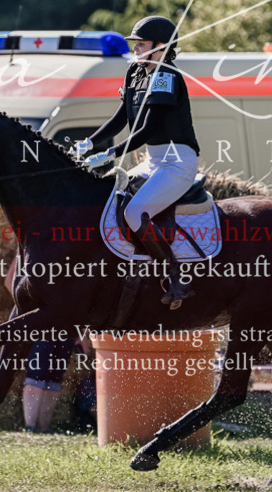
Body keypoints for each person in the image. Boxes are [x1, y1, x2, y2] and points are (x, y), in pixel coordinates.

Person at [73, 15, 200, 308]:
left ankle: (176, 275)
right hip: (155, 161)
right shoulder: (135, 73)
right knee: (110, 201)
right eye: (137, 44)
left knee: (134, 214)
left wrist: (110, 153)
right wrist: (90, 142)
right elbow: (121, 118)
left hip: (177, 162)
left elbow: (149, 129)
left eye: (141, 44)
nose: (137, 49)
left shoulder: (167, 77)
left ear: (161, 47)